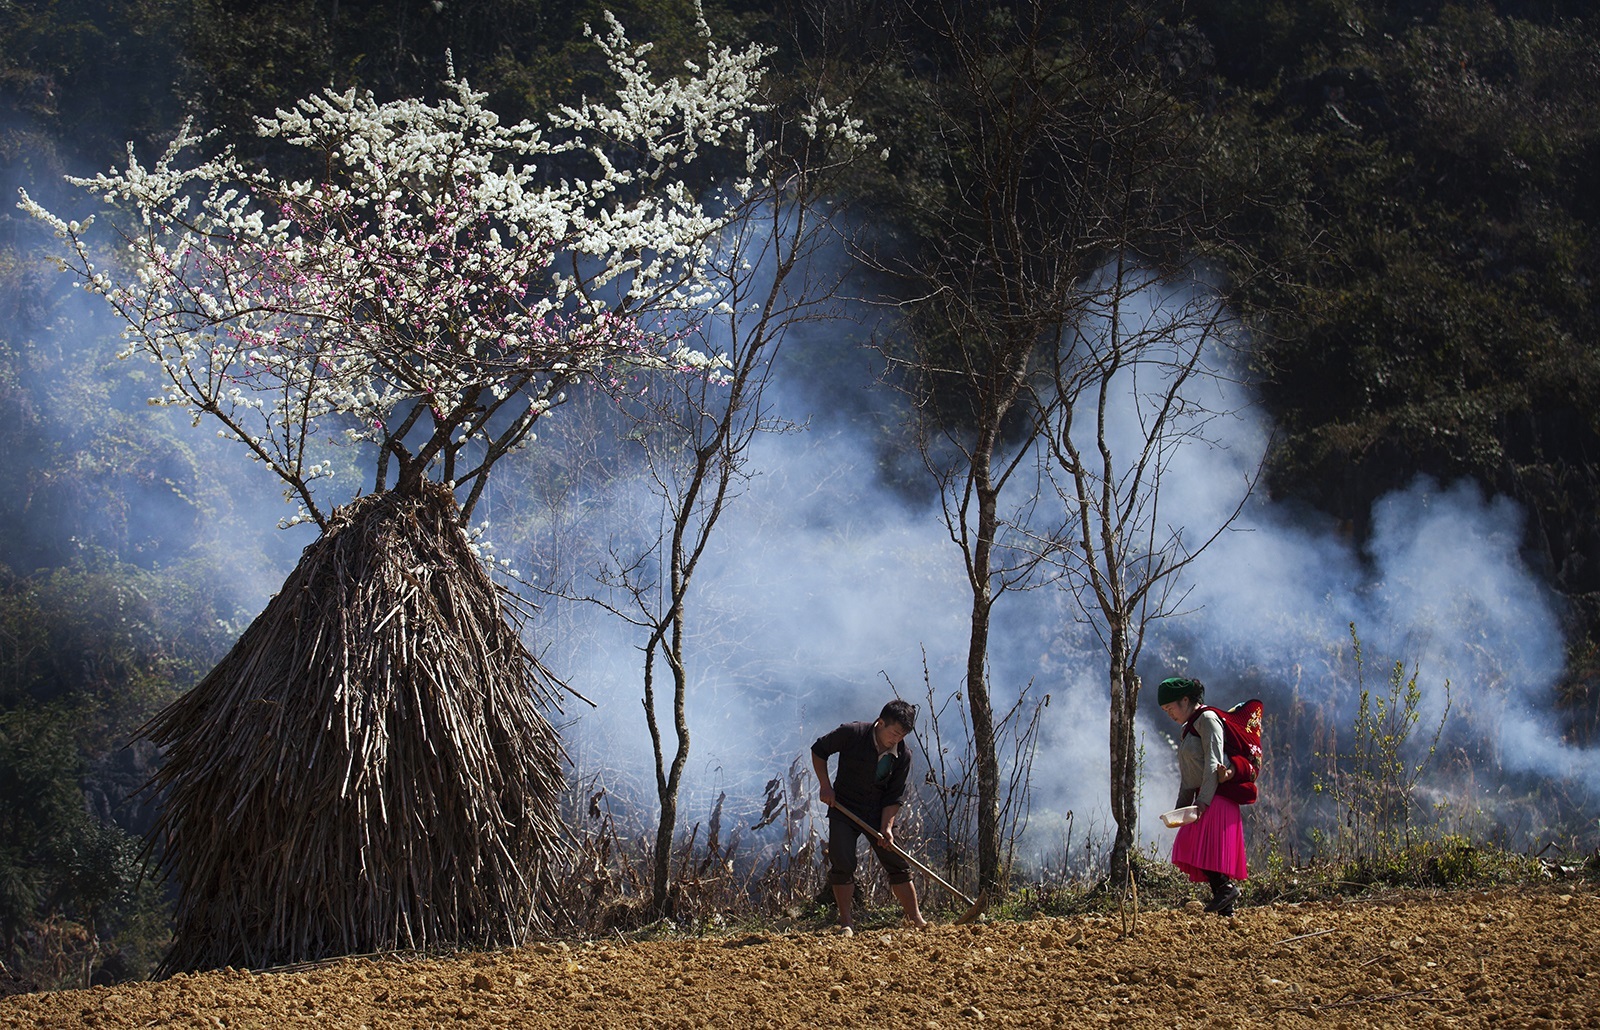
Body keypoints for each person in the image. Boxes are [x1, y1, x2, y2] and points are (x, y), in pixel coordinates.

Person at [811, 699, 927, 931]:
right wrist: (825, 786)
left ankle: (916, 920)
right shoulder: (852, 733)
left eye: (902, 736)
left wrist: (887, 827)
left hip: (877, 812)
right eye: (894, 733)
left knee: (897, 861)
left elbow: (894, 795)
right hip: (844, 808)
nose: (896, 740)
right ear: (880, 723)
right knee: (843, 862)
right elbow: (819, 750)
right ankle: (846, 923)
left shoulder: (902, 755)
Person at [1157, 676, 1247, 916]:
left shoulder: (1207, 720)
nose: (1169, 714)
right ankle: (1227, 909)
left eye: (1170, 708)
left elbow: (1213, 763)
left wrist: (1202, 803)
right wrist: (1180, 808)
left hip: (1216, 797)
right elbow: (1189, 774)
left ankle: (1226, 889)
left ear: (1185, 700)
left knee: (1195, 846)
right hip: (1205, 796)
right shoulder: (1189, 728)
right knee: (1200, 849)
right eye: (1165, 710)